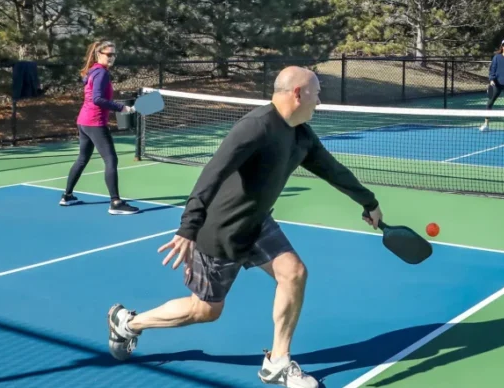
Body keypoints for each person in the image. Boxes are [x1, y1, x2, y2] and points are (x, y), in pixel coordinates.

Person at [105, 66, 383, 388]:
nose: (319, 101)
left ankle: (278, 362)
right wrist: (188, 227)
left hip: (257, 222)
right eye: (316, 93)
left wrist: (369, 201)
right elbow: (213, 173)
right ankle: (128, 323)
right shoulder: (256, 127)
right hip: (221, 230)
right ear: (298, 93)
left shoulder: (301, 135)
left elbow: (333, 170)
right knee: (205, 310)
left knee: (294, 273)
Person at [59, 40, 139, 215]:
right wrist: (122, 108)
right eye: (108, 54)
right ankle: (115, 202)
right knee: (111, 160)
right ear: (98, 54)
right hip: (94, 122)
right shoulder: (101, 73)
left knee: (82, 159)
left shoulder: (93, 71)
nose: (112, 57)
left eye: (114, 54)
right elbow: (97, 99)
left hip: (83, 121)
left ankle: (67, 196)